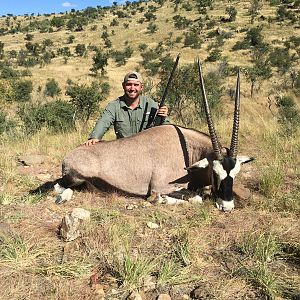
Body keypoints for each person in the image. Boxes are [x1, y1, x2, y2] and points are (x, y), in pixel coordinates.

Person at [85, 71, 170, 146]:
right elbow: (103, 122)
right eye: (129, 84)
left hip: (146, 150)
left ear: (141, 87)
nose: (132, 88)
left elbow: (168, 127)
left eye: (136, 85)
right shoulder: (114, 106)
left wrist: (163, 116)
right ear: (123, 86)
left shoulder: (151, 104)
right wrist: (94, 137)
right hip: (123, 150)